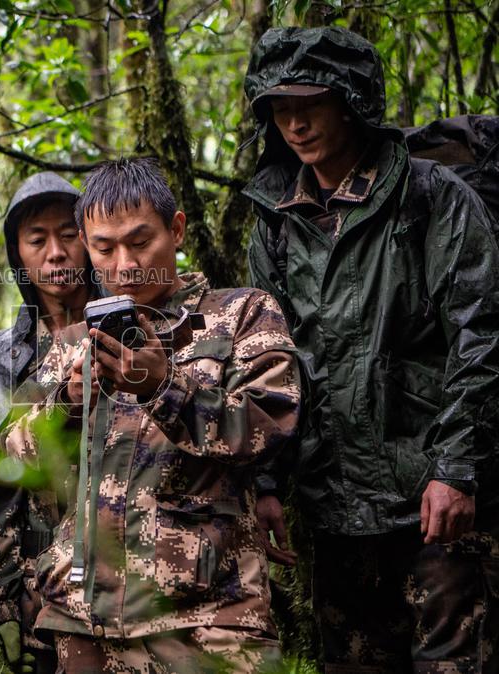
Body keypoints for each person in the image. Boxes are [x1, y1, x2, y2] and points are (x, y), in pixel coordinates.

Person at [243, 26, 499, 673]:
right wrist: (268, 479)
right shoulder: (274, 223)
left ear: (350, 100)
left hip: (435, 508)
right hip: (335, 509)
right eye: (280, 108)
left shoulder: (434, 198)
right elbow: (269, 361)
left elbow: (482, 332)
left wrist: (455, 468)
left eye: (311, 103)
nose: (295, 123)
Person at [0, 157, 301, 673]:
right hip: (83, 623)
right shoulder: (75, 341)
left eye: (140, 243)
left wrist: (166, 388)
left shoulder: (242, 314)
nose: (125, 265)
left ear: (175, 229)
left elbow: (270, 428)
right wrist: (68, 403)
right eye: (104, 248)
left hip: (209, 619)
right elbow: (16, 458)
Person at [0, 172, 99, 674]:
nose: (56, 253)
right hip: (40, 585)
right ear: (17, 255)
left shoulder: (128, 325)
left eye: (68, 234)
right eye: (36, 239)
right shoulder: (5, 352)